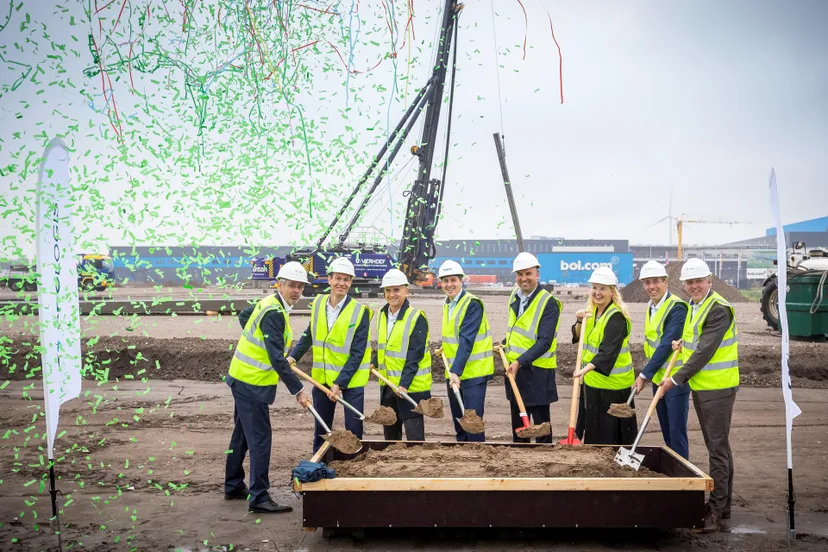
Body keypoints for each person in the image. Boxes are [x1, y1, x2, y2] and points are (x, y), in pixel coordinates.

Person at [224, 261, 310, 514]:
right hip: (252, 383)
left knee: (241, 434)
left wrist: (260, 341)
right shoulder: (273, 312)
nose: (296, 290)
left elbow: (244, 316)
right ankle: (259, 496)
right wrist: (298, 390)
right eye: (291, 285)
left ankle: (233, 484)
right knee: (261, 439)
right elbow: (276, 358)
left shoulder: (269, 303)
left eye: (300, 286)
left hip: (240, 378)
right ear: (280, 284)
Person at [662, 258, 739, 532]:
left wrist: (674, 379)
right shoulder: (696, 306)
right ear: (684, 285)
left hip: (718, 387)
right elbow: (697, 341)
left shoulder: (719, 309)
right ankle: (723, 505)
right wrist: (682, 343)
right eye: (690, 282)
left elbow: (705, 350)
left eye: (698, 281)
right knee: (717, 447)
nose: (694, 286)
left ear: (709, 281)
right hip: (703, 386)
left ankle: (717, 511)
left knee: (717, 448)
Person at [288, 257, 372, 453]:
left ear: (351, 282)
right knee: (322, 425)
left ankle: (354, 464)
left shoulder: (361, 312)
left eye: (346, 279)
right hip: (323, 377)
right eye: (338, 278)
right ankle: (319, 461)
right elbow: (310, 333)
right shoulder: (318, 304)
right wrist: (293, 357)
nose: (342, 283)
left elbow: (358, 352)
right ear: (329, 279)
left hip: (351, 380)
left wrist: (339, 383)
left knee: (354, 427)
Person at [572, 266, 637, 445]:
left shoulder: (616, 318)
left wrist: (584, 370)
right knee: (593, 430)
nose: (597, 292)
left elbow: (608, 352)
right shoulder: (591, 312)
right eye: (594, 287)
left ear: (612, 292)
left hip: (613, 387)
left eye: (602, 288)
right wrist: (579, 320)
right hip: (593, 383)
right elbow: (578, 337)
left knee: (610, 433)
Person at [633, 260, 690, 459]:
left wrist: (643, 375)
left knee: (676, 432)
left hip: (674, 380)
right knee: (667, 432)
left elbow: (667, 344)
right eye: (647, 283)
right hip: (659, 379)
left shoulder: (677, 308)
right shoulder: (652, 307)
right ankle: (672, 472)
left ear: (665, 282)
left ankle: (684, 478)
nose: (651, 287)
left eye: (655, 281)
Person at [503, 252, 562, 443]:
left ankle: (544, 461)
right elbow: (517, 330)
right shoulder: (514, 296)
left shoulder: (549, 302)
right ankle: (521, 462)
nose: (523, 278)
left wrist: (520, 361)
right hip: (516, 371)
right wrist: (505, 345)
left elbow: (545, 341)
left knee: (541, 426)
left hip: (538, 373)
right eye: (519, 274)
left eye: (528, 273)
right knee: (519, 424)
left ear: (537, 274)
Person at [439, 260, 494, 441]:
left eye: (453, 280)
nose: (449, 285)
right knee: (460, 423)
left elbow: (467, 339)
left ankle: (479, 461)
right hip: (455, 372)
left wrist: (455, 371)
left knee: (473, 423)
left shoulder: (472, 304)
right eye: (445, 281)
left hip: (473, 374)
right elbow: (454, 337)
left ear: (461, 280)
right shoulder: (448, 304)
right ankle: (463, 460)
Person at [374, 269, 432, 441]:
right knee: (391, 437)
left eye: (396, 290)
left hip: (411, 388)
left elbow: (415, 353)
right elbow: (385, 347)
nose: (392, 294)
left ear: (406, 291)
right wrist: (373, 363)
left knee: (414, 438)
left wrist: (404, 384)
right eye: (388, 290)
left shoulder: (416, 317)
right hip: (388, 385)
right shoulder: (382, 315)